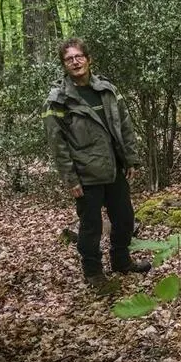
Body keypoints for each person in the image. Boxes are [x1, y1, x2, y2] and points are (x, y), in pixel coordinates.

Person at [42, 37, 151, 295]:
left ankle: (121, 261)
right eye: (69, 59)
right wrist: (70, 179)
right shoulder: (58, 100)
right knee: (91, 226)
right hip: (85, 174)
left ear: (88, 59)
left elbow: (125, 125)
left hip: (114, 169)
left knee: (124, 218)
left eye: (79, 56)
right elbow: (57, 144)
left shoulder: (107, 89)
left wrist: (130, 158)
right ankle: (93, 271)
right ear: (64, 65)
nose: (75, 62)